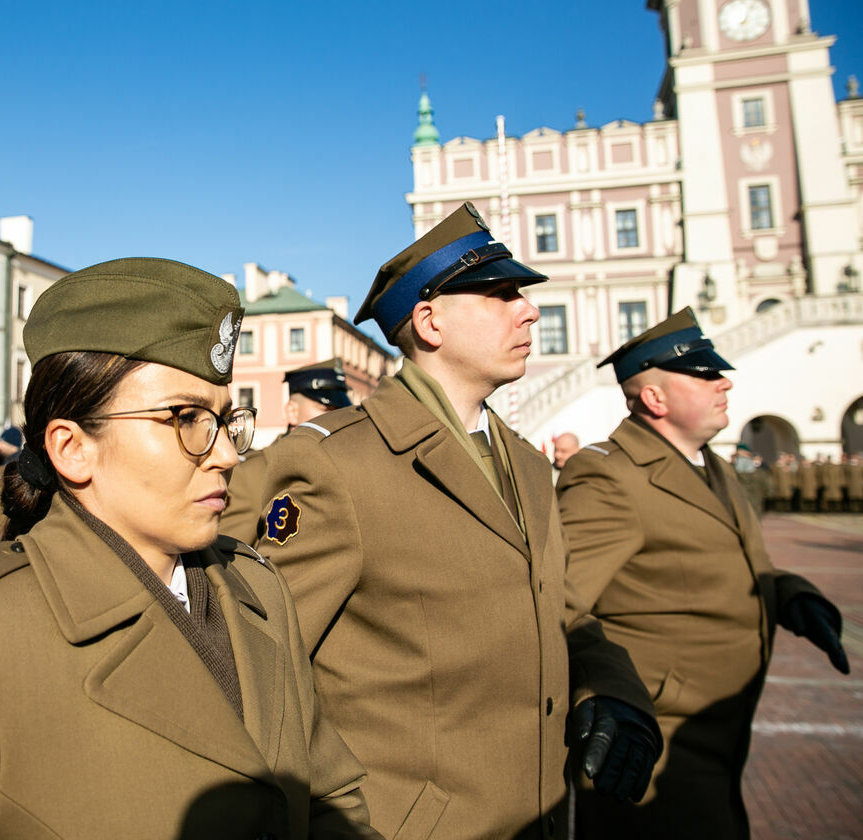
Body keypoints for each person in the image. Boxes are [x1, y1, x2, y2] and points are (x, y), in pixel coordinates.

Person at [0, 258, 379, 839]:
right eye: (187, 419)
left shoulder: (257, 586)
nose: (225, 453)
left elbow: (328, 799)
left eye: (226, 421)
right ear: (72, 448)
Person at [248, 203, 657, 838]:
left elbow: (563, 611)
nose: (529, 309)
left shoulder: (523, 462)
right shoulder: (338, 463)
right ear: (429, 320)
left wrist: (611, 686)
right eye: (499, 294)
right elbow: (262, 665)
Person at [556, 308, 849, 839]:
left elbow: (718, 559)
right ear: (655, 398)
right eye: (705, 374)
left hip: (716, 733)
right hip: (652, 738)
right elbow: (559, 602)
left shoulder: (707, 463)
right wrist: (602, 692)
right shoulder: (610, 475)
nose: (724, 383)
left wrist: (788, 593)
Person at [221, 358, 352, 543]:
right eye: (326, 409)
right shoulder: (253, 478)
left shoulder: (348, 470)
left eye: (341, 411)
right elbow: (228, 563)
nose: (336, 419)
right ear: (292, 411)